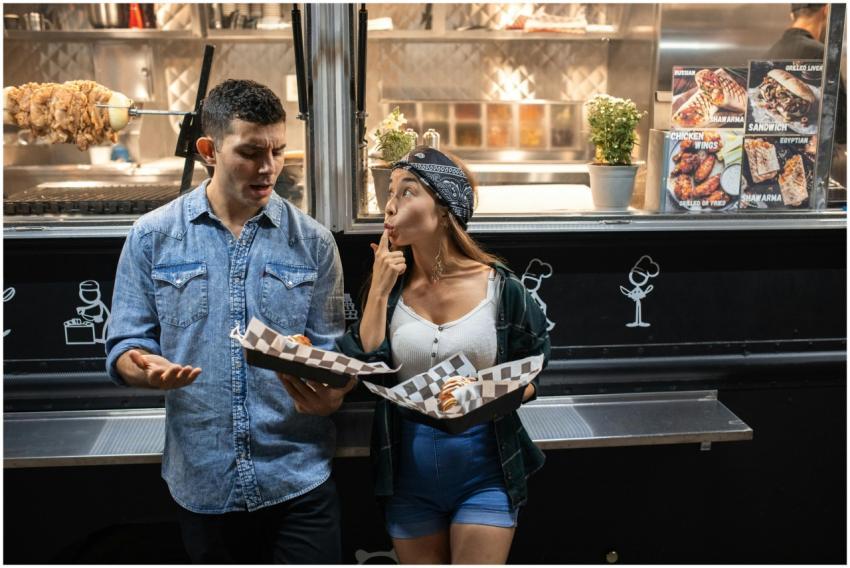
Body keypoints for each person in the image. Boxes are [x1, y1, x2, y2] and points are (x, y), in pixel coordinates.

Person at [105, 79, 353, 564]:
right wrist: (144, 367)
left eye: (278, 151)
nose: (268, 168)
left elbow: (332, 353)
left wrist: (332, 392)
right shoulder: (153, 236)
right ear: (208, 150)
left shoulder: (315, 242)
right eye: (250, 152)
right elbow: (124, 345)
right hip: (203, 481)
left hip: (298, 479)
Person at [337, 146, 550, 564]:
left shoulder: (501, 289)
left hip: (484, 474)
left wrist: (481, 392)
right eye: (390, 192)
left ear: (445, 207)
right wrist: (378, 290)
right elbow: (368, 365)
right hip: (405, 477)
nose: (390, 204)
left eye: (408, 191)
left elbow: (535, 368)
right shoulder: (391, 288)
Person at [766, 3, 846, 147]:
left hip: (775, 145)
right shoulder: (822, 52)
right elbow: (839, 121)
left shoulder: (769, 52)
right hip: (815, 154)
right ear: (826, 10)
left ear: (792, 15)